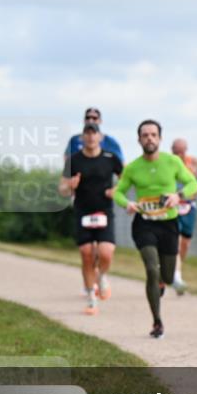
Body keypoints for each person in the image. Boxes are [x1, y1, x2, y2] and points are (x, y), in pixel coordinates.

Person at [113, 120, 197, 338]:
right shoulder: (132, 167)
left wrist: (177, 196)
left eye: (153, 135)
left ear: (160, 139)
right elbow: (118, 192)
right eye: (145, 135)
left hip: (169, 224)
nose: (149, 138)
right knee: (152, 268)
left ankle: (163, 282)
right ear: (139, 139)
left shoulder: (172, 162)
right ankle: (157, 322)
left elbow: (193, 184)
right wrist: (128, 204)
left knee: (168, 277)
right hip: (144, 224)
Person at [59, 122, 123, 315]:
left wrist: (116, 190)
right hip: (82, 211)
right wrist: (70, 185)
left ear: (100, 137)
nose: (90, 137)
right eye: (86, 134)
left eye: (93, 133)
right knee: (86, 254)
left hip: (104, 211)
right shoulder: (73, 160)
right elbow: (61, 189)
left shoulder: (111, 158)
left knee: (106, 252)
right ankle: (92, 299)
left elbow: (126, 181)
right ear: (82, 138)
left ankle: (102, 276)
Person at [169, 138, 197, 295]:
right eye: (176, 151)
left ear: (186, 150)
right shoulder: (169, 163)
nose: (179, 154)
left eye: (182, 151)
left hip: (189, 206)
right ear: (172, 150)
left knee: (185, 242)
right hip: (173, 205)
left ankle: (176, 269)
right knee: (176, 239)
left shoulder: (193, 162)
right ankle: (176, 276)